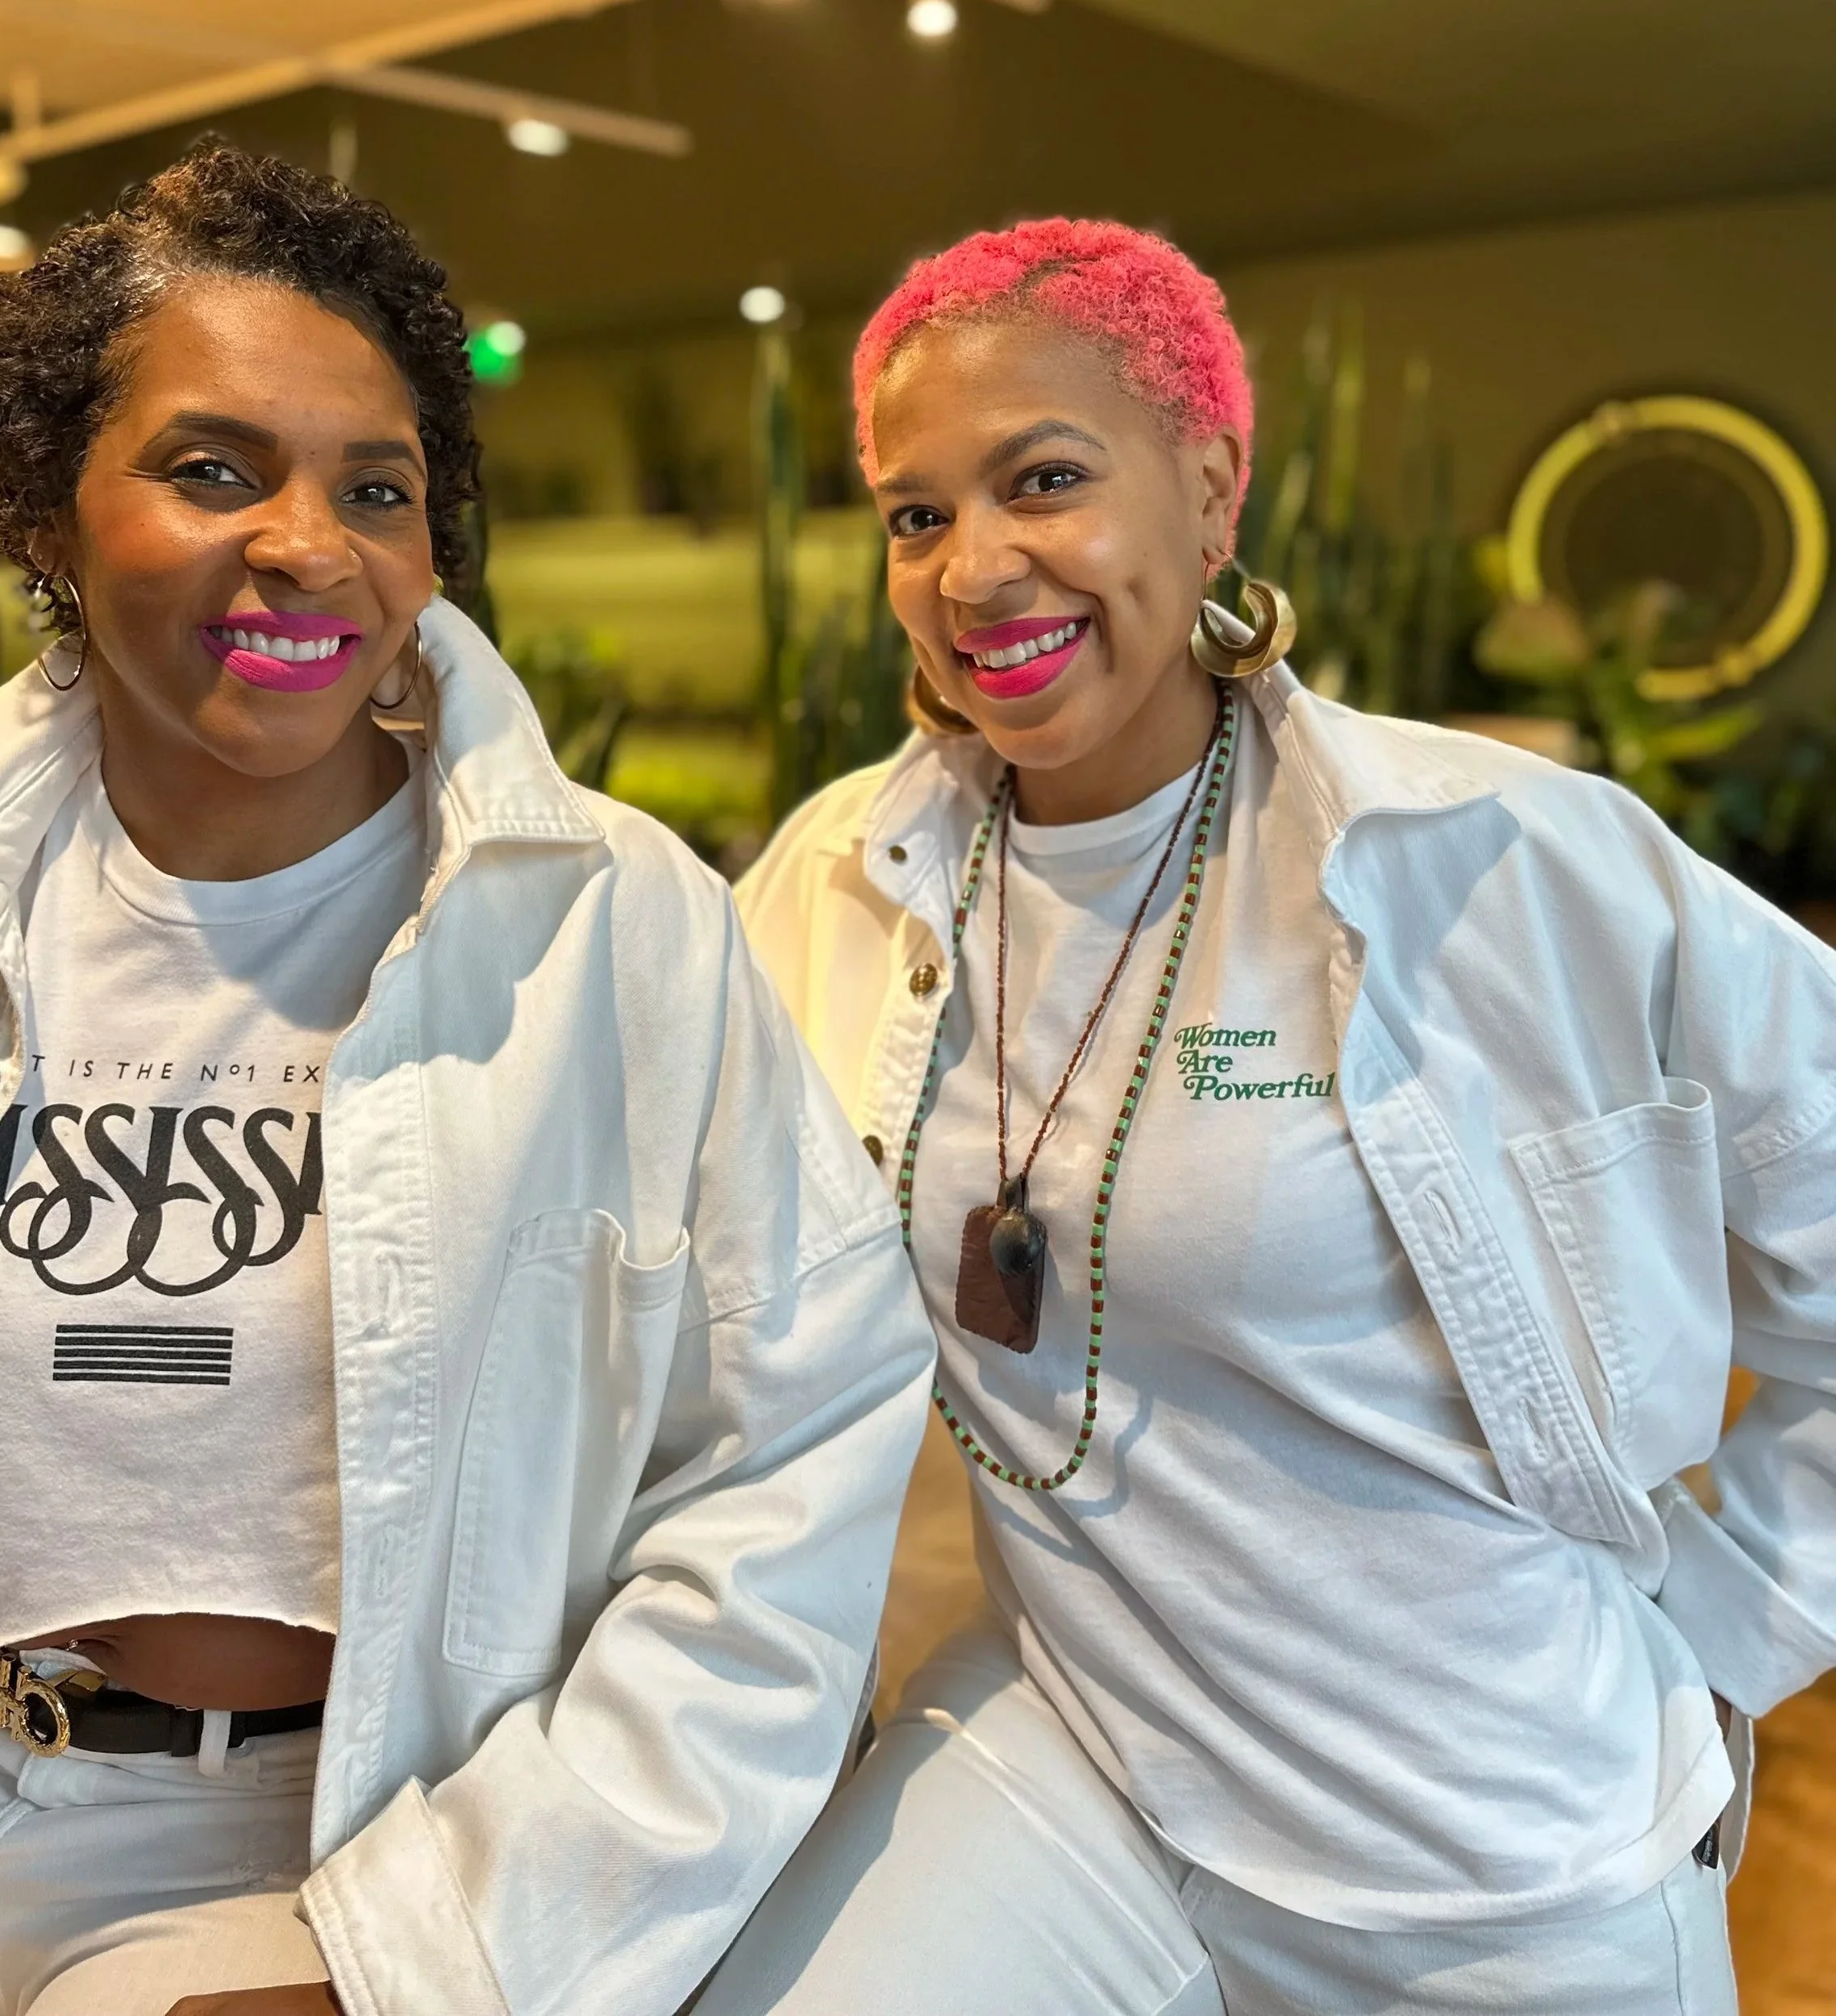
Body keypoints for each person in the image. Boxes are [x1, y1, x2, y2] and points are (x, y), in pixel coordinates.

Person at [0, 147, 934, 2016]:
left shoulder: (613, 933)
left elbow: (787, 1476)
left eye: (377, 487)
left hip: (334, 1843)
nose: (306, 542)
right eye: (211, 467)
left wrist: (431, 1951)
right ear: (47, 507)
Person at [701, 215, 1834, 2015]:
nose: (972, 566)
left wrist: (1735, 1622)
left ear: (1208, 489)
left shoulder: (1500, 860)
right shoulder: (842, 876)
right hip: (1080, 1750)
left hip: (1488, 1842)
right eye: (915, 513)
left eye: (1042, 479)